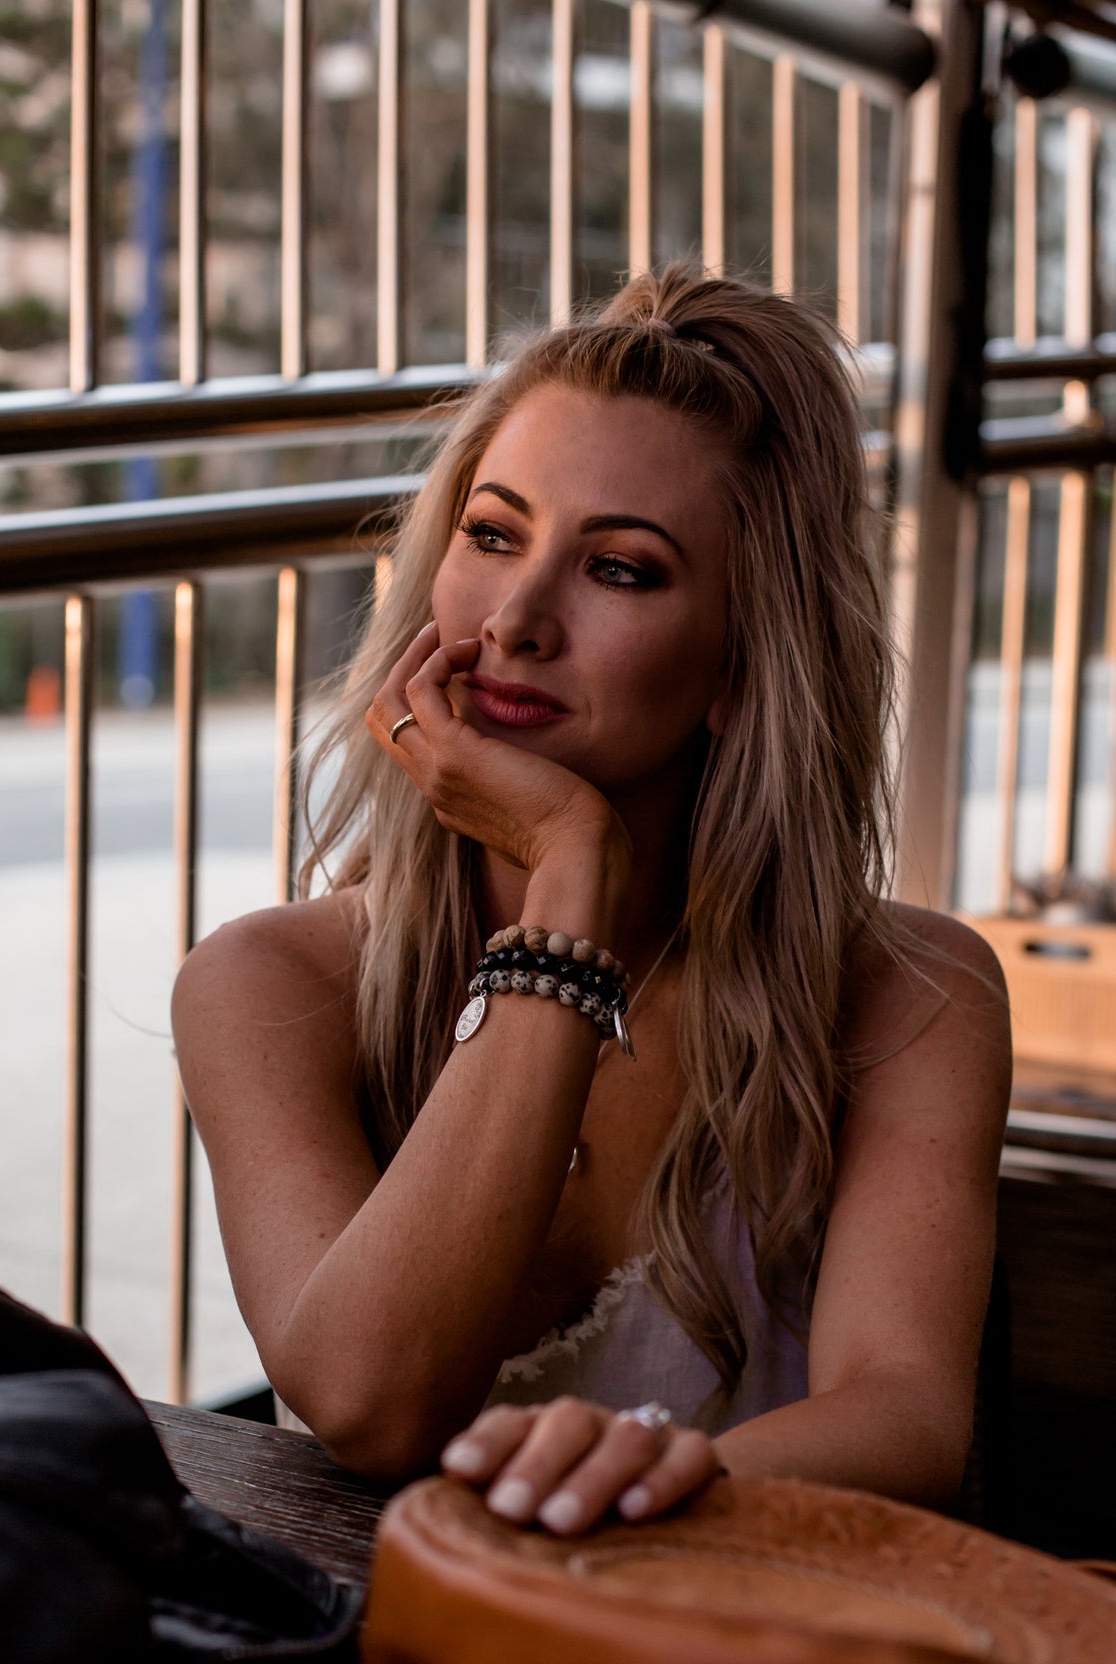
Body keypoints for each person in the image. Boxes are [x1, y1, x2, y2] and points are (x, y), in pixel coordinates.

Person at [172, 264, 1011, 1540]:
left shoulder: (911, 994)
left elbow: (902, 1411)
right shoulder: (270, 985)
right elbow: (369, 1402)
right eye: (492, 533)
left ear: (743, 660)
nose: (513, 620)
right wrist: (568, 874)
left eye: (618, 569)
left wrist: (631, 1494)